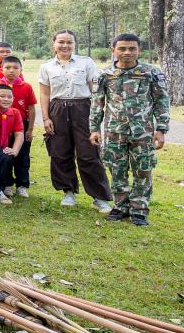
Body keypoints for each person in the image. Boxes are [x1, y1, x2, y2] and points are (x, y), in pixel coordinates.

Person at [90, 33, 170, 226]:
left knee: (143, 170)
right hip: (114, 132)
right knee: (117, 170)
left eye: (132, 48)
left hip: (143, 132)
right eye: (122, 48)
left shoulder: (150, 72)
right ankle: (120, 207)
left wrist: (161, 129)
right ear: (113, 50)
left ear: (139, 50)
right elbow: (97, 103)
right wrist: (94, 128)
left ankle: (139, 210)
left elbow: (162, 101)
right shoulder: (105, 74)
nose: (127, 52)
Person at [37, 30, 113, 212]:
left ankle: (99, 197)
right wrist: (46, 118)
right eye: (61, 42)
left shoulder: (86, 63)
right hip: (57, 109)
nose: (65, 46)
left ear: (74, 44)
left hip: (82, 109)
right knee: (60, 152)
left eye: (69, 42)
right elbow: (45, 93)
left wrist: (95, 118)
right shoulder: (47, 66)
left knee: (89, 153)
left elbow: (94, 91)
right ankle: (68, 192)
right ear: (54, 43)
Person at [0, 55, 37, 197]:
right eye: (8, 67)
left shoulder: (26, 86)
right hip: (0, 124)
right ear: (1, 69)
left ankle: (22, 184)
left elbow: (31, 108)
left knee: (22, 156)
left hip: (20, 124)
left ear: (21, 69)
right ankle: (6, 184)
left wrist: (29, 129)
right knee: (5, 154)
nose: (11, 71)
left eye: (15, 68)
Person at [0, 84, 25, 204]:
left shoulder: (15, 113)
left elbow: (19, 134)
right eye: (2, 96)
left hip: (2, 147)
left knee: (6, 156)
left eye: (9, 97)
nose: (6, 99)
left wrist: (14, 150)